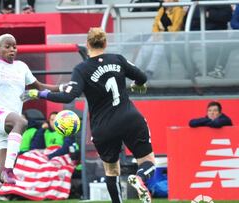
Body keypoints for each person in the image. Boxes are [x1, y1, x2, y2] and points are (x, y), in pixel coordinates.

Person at [21, 27, 156, 203]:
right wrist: (138, 84)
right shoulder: (118, 59)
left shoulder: (82, 69)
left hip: (103, 127)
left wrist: (40, 94)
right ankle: (140, 178)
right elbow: (142, 77)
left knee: (112, 171)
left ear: (87, 45)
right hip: (130, 118)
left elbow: (68, 95)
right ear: (105, 43)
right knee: (148, 162)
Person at [0, 33, 62, 203]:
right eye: (7, 46)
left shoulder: (22, 67)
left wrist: (63, 87)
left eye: (14, 46)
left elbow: (40, 86)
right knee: (21, 121)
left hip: (7, 128)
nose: (11, 49)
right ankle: (9, 169)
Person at [134, 0, 185, 79]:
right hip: (159, 35)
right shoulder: (162, 9)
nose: (165, 1)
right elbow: (155, 24)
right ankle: (134, 69)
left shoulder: (179, 10)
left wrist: (164, 34)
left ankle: (150, 70)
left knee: (159, 46)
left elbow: (176, 27)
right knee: (146, 47)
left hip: (171, 36)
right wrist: (155, 34)